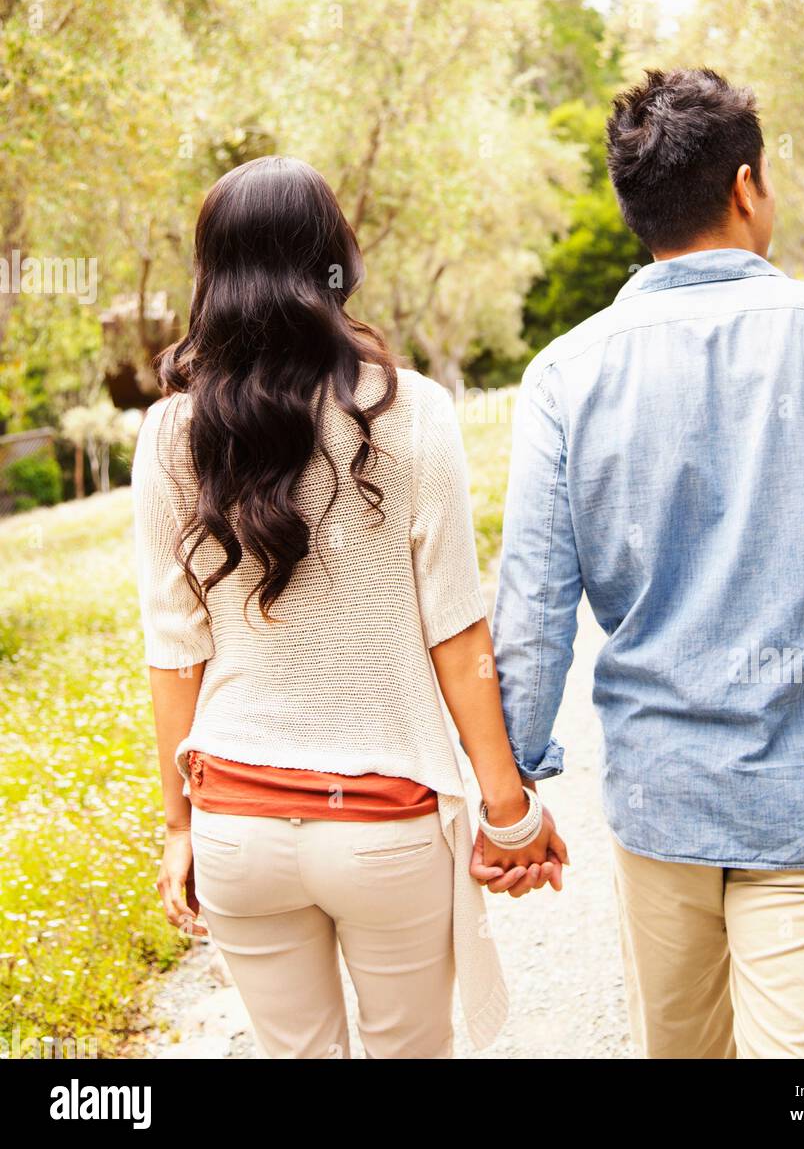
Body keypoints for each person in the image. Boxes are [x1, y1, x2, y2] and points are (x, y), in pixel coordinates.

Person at [491, 68, 804, 1059]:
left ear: (637, 210)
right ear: (747, 185)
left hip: (659, 793)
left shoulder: (564, 377)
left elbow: (535, 605)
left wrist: (517, 795)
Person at [132, 155, 566, 1061]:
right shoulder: (414, 411)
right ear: (337, 260)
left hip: (236, 824)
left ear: (213, 274)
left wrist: (180, 829)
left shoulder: (170, 432)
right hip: (386, 826)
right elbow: (456, 632)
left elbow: (175, 653)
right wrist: (508, 811)